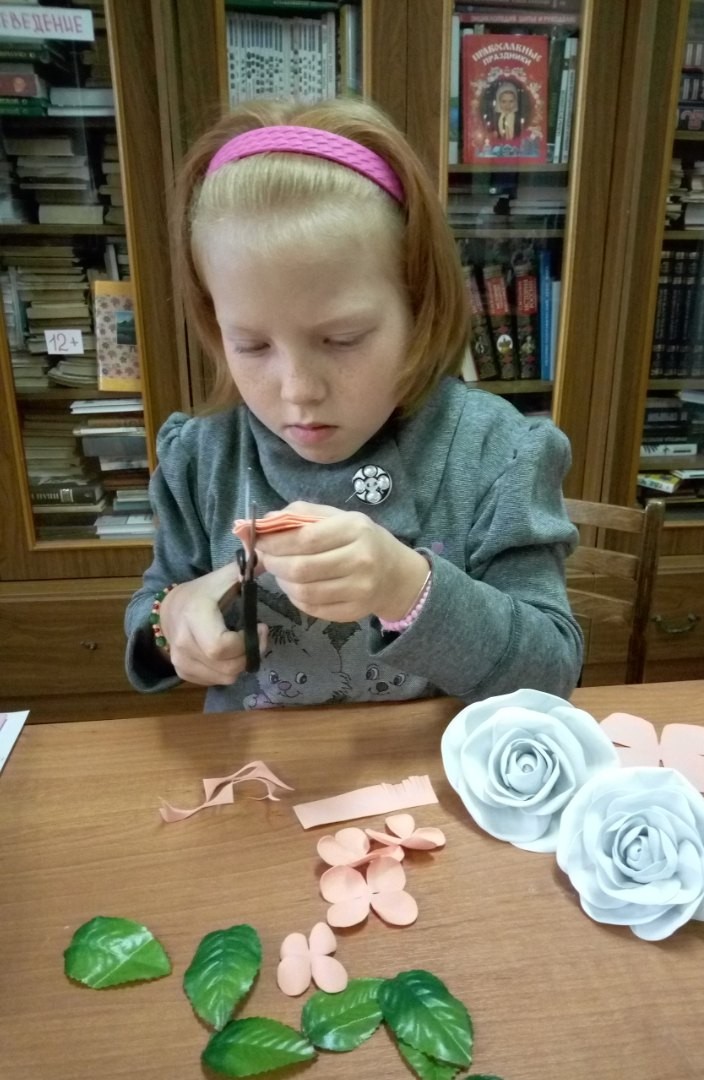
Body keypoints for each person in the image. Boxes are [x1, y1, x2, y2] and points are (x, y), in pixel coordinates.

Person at [124, 97, 583, 712]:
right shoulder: (202, 458)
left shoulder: (495, 453)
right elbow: (154, 601)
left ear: (418, 309)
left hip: (430, 769)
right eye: (251, 345)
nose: (298, 390)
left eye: (342, 340)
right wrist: (170, 620)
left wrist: (407, 587)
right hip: (258, 768)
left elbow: (551, 670)